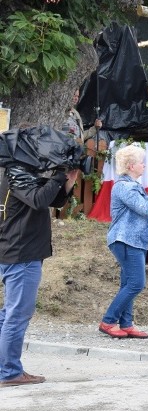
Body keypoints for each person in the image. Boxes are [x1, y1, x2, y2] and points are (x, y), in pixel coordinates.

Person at [0, 155, 78, 386]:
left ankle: (6, 367)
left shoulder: (10, 172)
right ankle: (10, 372)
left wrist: (67, 182)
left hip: (14, 250)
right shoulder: (17, 174)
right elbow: (38, 200)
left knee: (8, 313)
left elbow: (50, 200)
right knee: (17, 314)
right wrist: (58, 175)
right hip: (22, 253)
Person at [98, 145, 148, 340]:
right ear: (130, 165)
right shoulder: (124, 186)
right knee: (136, 283)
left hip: (132, 240)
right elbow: (145, 209)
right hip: (126, 240)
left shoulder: (131, 186)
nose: (144, 165)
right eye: (141, 162)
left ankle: (126, 324)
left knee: (128, 283)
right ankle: (108, 321)